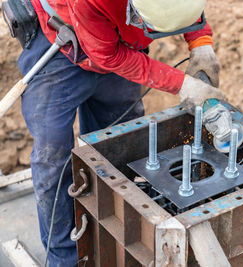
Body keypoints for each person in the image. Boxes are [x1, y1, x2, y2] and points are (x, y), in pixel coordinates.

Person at [17, 0, 225, 265]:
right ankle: (64, 257)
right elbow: (109, 56)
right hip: (59, 46)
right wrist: (181, 85)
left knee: (118, 146)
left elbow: (186, 9)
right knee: (53, 159)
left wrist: (201, 43)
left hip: (120, 42)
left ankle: (110, 238)